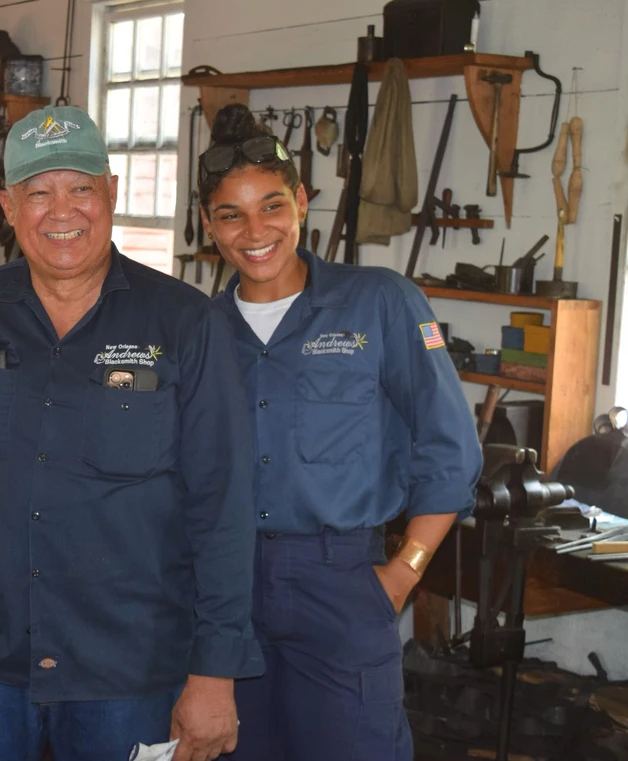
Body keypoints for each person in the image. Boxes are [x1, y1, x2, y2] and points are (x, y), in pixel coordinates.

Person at [0, 105, 264, 761]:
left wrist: (215, 670)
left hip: (131, 676)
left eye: (80, 189)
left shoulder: (184, 324)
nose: (60, 211)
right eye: (38, 192)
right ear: (9, 204)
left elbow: (225, 507)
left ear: (112, 193)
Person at [198, 103, 482, 761]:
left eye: (271, 206)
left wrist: (402, 573)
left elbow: (451, 445)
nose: (254, 230)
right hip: (226, 592)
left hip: (342, 582)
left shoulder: (383, 301)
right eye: (230, 214)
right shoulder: (202, 331)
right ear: (210, 226)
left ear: (302, 201)